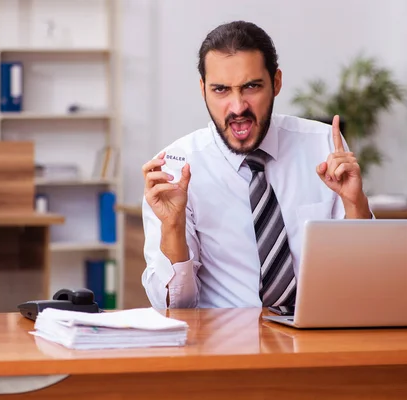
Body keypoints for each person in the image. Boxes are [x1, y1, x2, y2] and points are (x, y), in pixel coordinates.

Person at [140, 20, 373, 309]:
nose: (238, 107)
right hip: (225, 342)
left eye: (251, 87)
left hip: (320, 336)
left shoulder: (324, 145)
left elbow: (363, 277)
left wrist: (355, 205)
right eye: (221, 90)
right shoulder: (174, 168)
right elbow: (175, 307)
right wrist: (173, 227)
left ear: (276, 82)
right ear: (203, 89)